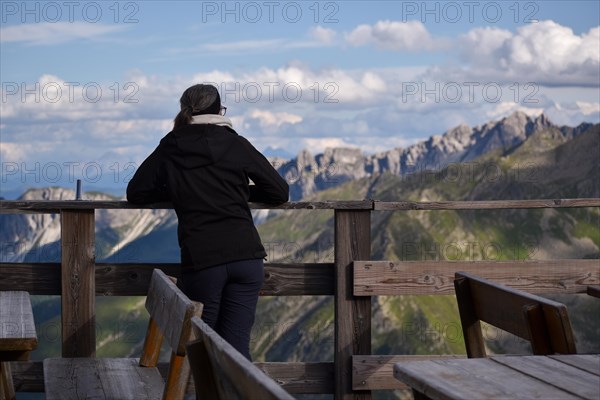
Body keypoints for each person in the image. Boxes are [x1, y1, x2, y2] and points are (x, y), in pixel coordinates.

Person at [127, 84, 289, 360]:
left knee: (200, 350)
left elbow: (136, 192)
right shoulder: (234, 142)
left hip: (203, 262)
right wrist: (237, 192)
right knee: (237, 350)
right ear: (219, 110)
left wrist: (181, 192)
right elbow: (279, 192)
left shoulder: (172, 144)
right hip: (246, 257)